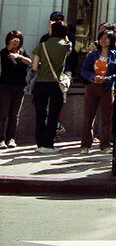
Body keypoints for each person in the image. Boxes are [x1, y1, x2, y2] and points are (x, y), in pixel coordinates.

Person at [78, 26, 116, 152]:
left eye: (106, 38)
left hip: (107, 88)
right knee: (88, 116)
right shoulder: (93, 55)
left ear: (111, 40)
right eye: (101, 38)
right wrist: (93, 77)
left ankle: (105, 144)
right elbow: (83, 70)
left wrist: (107, 78)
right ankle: (85, 144)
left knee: (106, 117)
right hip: (92, 87)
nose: (103, 41)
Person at [30, 20, 71, 152]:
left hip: (40, 83)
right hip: (56, 84)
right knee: (54, 114)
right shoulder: (66, 45)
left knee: (40, 114)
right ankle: (48, 144)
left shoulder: (41, 45)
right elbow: (68, 46)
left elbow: (35, 67)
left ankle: (40, 143)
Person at [1, 31, 32, 147]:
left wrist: (18, 56)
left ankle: (11, 138)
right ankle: (1, 139)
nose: (15, 41)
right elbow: (4, 56)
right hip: (5, 86)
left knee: (14, 115)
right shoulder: (4, 52)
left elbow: (29, 62)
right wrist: (10, 48)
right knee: (3, 114)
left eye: (17, 39)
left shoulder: (23, 52)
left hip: (19, 87)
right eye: (13, 39)